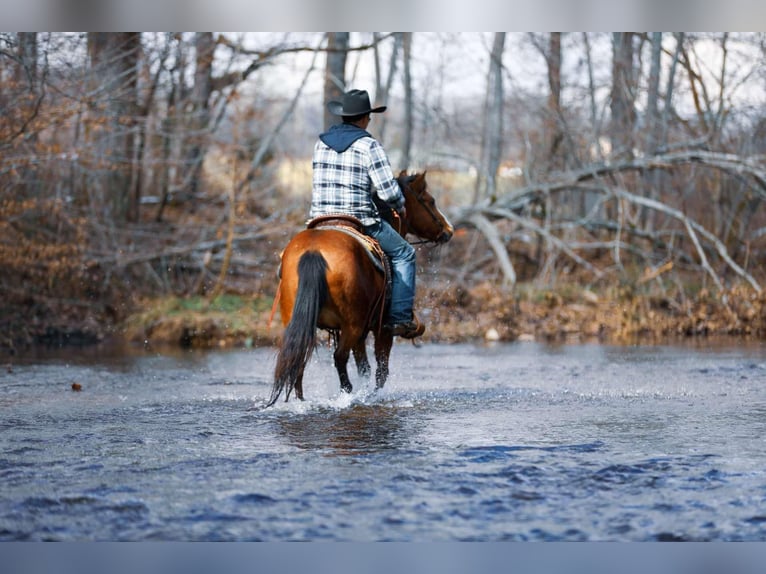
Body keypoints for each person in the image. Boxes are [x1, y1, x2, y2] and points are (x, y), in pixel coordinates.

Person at [310, 89, 424, 339]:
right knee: (405, 253)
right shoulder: (369, 145)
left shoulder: (320, 144)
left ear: (344, 116)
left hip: (319, 222)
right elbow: (387, 192)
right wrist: (400, 204)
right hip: (359, 220)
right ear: (364, 119)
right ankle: (400, 319)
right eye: (369, 118)